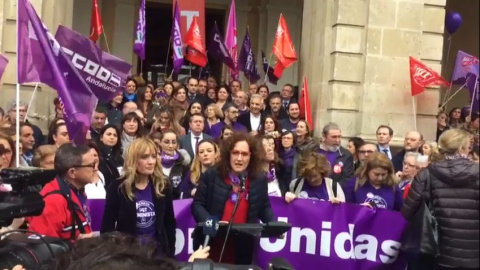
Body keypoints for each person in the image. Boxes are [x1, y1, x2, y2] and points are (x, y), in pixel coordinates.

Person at [191, 132, 275, 265]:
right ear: (228, 154)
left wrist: (273, 225)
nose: (239, 158)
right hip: (212, 242)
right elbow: (197, 205)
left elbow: (264, 206)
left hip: (242, 244)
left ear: (251, 157)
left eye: (245, 154)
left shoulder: (259, 179)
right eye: (235, 153)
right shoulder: (212, 174)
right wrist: (211, 223)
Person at [402, 129, 479, 270]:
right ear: (462, 148)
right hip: (474, 255)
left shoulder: (426, 174)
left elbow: (407, 213)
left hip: (437, 251)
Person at [101, 138, 177, 258]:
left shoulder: (163, 185)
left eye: (153, 156)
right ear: (133, 159)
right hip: (129, 256)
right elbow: (107, 227)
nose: (151, 161)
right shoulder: (118, 187)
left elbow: (169, 222)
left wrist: (170, 252)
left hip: (158, 255)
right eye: (145, 157)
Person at [27, 144, 95, 240]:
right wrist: (75, 244)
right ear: (72, 172)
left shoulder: (77, 192)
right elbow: (43, 247)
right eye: (91, 165)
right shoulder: (53, 201)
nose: (95, 169)